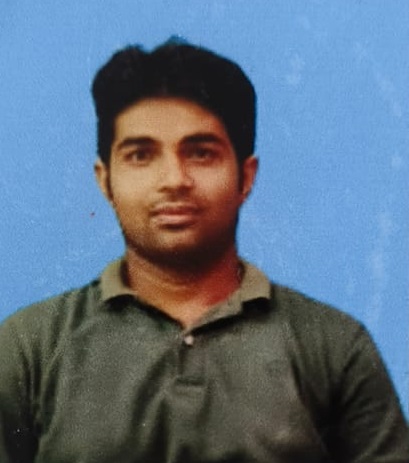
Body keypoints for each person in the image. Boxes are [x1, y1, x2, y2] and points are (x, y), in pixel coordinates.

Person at [0, 40, 407, 463]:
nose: (174, 179)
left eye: (200, 153)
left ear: (245, 177)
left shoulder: (334, 346)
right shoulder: (30, 348)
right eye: (141, 155)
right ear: (105, 180)